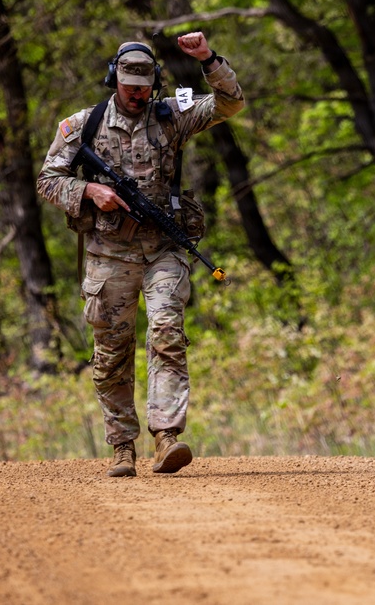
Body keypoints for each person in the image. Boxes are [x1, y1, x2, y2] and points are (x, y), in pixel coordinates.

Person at [37, 32, 244, 476]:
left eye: (144, 87)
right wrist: (88, 190)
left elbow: (229, 103)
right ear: (114, 80)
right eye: (129, 87)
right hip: (108, 254)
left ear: (155, 84)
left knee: (167, 331)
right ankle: (122, 446)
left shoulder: (172, 116)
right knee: (111, 352)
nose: (136, 95)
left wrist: (208, 58)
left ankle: (166, 436)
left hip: (163, 249)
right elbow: (48, 179)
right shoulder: (83, 125)